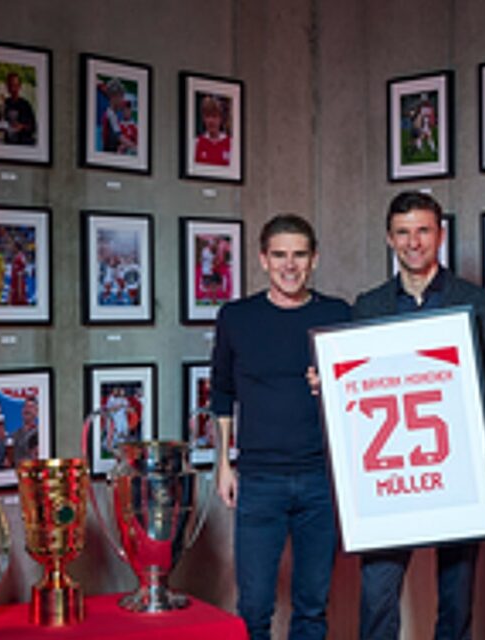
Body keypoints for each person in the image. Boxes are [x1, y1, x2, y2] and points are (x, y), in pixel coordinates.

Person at [352, 191, 485, 640]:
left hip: (461, 473)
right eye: (403, 232)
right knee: (377, 598)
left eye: (423, 230)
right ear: (389, 238)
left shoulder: (479, 302)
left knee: (456, 600)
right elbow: (354, 390)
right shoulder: (367, 306)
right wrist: (325, 381)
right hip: (389, 479)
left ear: (440, 235)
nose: (414, 242)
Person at [211, 214, 351, 640]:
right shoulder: (236, 317)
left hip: (321, 479)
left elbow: (361, 390)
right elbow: (222, 393)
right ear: (263, 259)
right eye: (279, 255)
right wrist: (223, 464)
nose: (289, 265)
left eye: (299, 255)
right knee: (253, 609)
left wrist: (333, 384)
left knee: (312, 607)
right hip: (258, 479)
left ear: (314, 259)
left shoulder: (337, 314)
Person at [0, 71, 36, 145]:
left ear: (19, 86)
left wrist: (22, 126)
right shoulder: (6, 103)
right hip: (8, 143)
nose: (12, 88)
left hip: (23, 144)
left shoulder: (25, 105)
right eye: (10, 85)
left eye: (15, 85)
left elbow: (33, 127)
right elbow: (1, 121)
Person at [195, 95, 231, 166]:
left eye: (214, 116)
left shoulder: (230, 143)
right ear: (204, 119)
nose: (211, 121)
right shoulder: (197, 143)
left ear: (221, 118)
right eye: (207, 116)